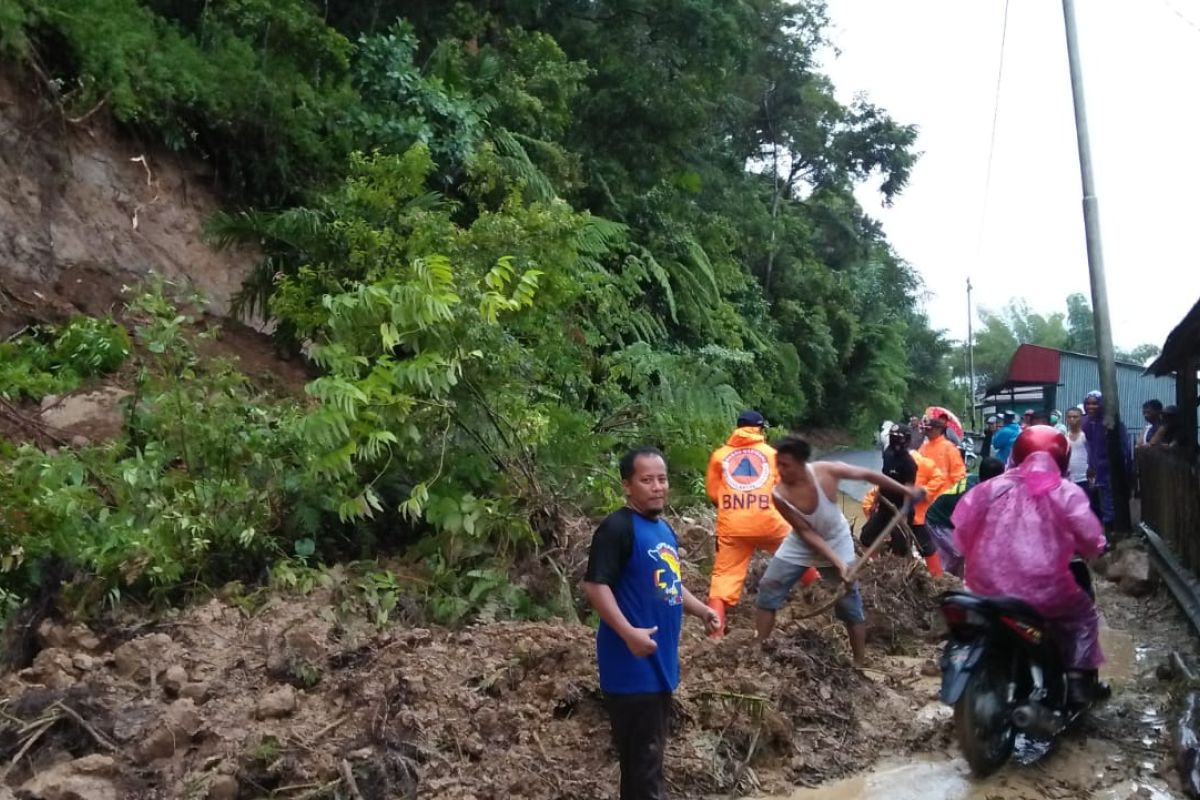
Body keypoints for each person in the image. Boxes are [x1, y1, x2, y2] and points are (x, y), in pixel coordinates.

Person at [583, 447, 721, 800]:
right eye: (647, 480)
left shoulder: (662, 528)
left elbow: (670, 585)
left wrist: (702, 610)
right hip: (631, 671)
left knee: (646, 765)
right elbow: (595, 586)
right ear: (627, 485)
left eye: (662, 479)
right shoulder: (617, 528)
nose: (657, 487)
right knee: (644, 769)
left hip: (660, 667)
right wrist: (628, 633)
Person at [952, 426, 1108, 707]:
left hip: (983, 585)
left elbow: (961, 530)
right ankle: (1075, 681)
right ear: (1062, 457)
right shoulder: (1065, 491)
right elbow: (1091, 537)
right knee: (1082, 616)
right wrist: (1095, 549)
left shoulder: (990, 487)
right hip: (1041, 589)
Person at [754, 436, 925, 667]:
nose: (781, 470)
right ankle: (759, 651)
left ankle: (859, 662)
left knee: (848, 601)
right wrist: (838, 563)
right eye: (779, 464)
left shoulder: (827, 472)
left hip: (836, 539)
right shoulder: (779, 494)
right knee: (769, 586)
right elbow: (806, 532)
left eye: (786, 465)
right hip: (801, 542)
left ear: (802, 463)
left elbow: (868, 475)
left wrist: (904, 489)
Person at [704, 411, 791, 638]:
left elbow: (714, 494)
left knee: (723, 579)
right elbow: (785, 492)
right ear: (761, 430)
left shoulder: (720, 456)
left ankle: (715, 636)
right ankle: (819, 594)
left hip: (733, 527)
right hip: (770, 523)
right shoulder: (773, 455)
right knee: (799, 554)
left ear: (737, 427)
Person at [859, 423, 948, 575]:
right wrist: (876, 500)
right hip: (884, 506)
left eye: (898, 439)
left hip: (902, 510)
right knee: (866, 536)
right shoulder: (887, 453)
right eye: (893, 438)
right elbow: (884, 478)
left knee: (903, 548)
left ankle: (910, 577)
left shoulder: (910, 464)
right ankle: (874, 569)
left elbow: (908, 490)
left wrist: (904, 515)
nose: (895, 442)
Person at [925, 456, 1005, 578]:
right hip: (938, 522)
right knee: (956, 553)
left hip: (946, 518)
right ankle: (939, 582)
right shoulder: (973, 495)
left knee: (961, 555)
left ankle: (956, 584)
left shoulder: (976, 480)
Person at [1082, 390, 1132, 531]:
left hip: (1112, 470)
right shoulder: (1087, 424)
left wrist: (1124, 470)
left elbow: (1125, 449)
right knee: (1099, 503)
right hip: (1096, 471)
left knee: (1112, 503)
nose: (1091, 407)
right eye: (1088, 403)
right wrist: (1091, 466)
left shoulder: (1111, 422)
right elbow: (1090, 447)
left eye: (1095, 404)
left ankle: (1115, 534)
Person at [919, 416, 967, 495]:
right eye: (926, 429)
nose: (927, 431)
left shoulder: (949, 448)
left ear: (938, 429)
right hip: (924, 495)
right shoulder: (923, 448)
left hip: (943, 496)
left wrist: (954, 496)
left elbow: (959, 476)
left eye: (929, 429)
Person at [1064, 407, 1091, 498]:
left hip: (1085, 479)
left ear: (1081, 418)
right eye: (1069, 417)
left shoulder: (1086, 436)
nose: (1072, 419)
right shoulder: (1064, 437)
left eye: (1075, 417)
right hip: (1070, 479)